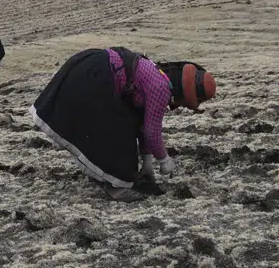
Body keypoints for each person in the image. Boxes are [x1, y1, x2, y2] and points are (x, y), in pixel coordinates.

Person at [29, 47, 216, 202]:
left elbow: (142, 122)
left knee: (121, 125)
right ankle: (116, 187)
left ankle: (101, 173)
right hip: (95, 80)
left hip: (90, 66)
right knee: (117, 136)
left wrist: (147, 165)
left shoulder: (156, 74)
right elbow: (152, 131)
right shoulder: (160, 89)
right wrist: (164, 159)